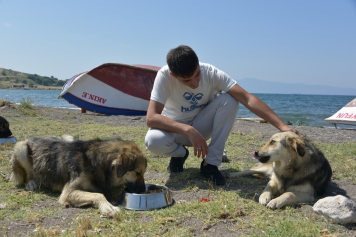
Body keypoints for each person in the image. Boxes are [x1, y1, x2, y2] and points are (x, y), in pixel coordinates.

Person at [145, 45, 296, 185]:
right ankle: (180, 154)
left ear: (198, 64)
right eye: (187, 80)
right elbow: (151, 117)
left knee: (230, 99)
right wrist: (187, 130)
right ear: (173, 75)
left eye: (197, 75)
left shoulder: (210, 72)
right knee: (153, 140)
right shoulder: (164, 76)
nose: (195, 83)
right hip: (176, 130)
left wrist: (283, 126)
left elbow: (247, 98)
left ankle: (210, 164)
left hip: (201, 126)